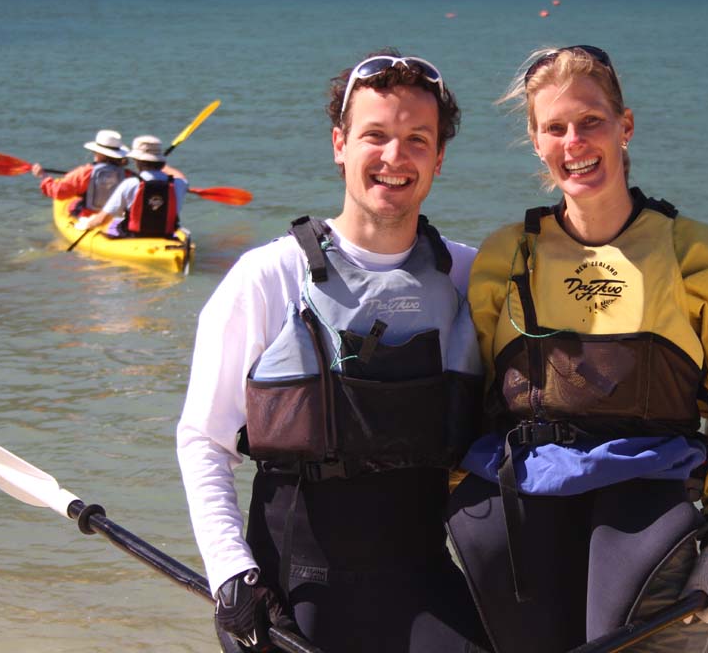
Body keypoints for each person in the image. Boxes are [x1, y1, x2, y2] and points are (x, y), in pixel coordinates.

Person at [445, 45, 708, 653]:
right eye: (555, 127)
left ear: (625, 127)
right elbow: (470, 397)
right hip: (522, 491)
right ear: (536, 142)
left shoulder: (698, 255)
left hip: (647, 492)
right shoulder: (508, 255)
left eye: (591, 121)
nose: (574, 141)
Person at [176, 51, 490, 653]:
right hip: (295, 592)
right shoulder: (268, 276)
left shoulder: (468, 276)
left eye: (416, 139)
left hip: (423, 581)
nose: (395, 158)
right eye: (376, 135)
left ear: (440, 159)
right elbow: (204, 439)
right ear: (340, 144)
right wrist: (228, 574)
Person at [78, 135, 189, 238]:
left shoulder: (130, 183)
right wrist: (164, 166)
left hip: (134, 236)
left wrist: (86, 224)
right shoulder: (179, 184)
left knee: (114, 221)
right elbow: (181, 177)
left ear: (137, 161)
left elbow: (102, 219)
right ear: (161, 163)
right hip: (166, 235)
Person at [31, 129, 131, 217]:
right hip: (115, 216)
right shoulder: (128, 175)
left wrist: (43, 176)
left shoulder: (85, 173)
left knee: (74, 205)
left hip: (89, 215)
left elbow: (58, 192)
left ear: (98, 152)